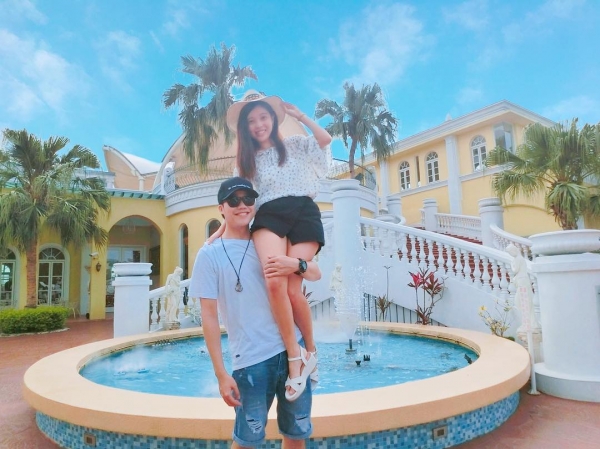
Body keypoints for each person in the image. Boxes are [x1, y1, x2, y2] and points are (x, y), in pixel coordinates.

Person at [209, 92, 332, 401]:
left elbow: (325, 139)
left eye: (263, 117)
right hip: (270, 215)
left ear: (274, 119)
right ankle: (294, 356)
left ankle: (311, 352)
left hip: (303, 212)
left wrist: (301, 117)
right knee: (274, 280)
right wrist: (220, 230)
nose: (259, 124)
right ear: (245, 128)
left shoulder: (295, 144)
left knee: (293, 290)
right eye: (251, 121)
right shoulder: (246, 163)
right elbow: (241, 202)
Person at [189, 177, 321, 448]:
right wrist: (221, 374)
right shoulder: (209, 255)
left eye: (248, 199)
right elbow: (209, 317)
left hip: (293, 355)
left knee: (296, 437)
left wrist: (296, 264)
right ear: (221, 208)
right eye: (233, 200)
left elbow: (315, 272)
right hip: (250, 361)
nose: (242, 205)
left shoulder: (270, 240)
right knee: (247, 441)